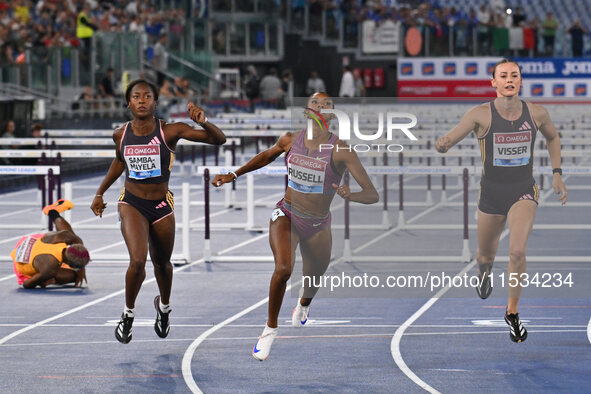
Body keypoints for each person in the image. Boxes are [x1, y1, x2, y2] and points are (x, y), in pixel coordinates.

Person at [212, 92, 378, 361]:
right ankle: (269, 330)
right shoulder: (290, 139)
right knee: (284, 269)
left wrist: (351, 195)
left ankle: (303, 305)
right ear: (306, 111)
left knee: (313, 280)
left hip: (318, 224)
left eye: (326, 105)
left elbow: (372, 194)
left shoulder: (342, 150)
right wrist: (233, 174)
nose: (320, 107)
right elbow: (267, 155)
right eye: (315, 103)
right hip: (287, 213)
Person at [435, 59, 567, 343]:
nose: (509, 79)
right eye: (503, 76)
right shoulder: (479, 114)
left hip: (523, 190)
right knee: (485, 257)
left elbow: (553, 138)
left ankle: (512, 311)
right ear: (493, 82)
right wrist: (443, 143)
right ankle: (484, 272)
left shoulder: (537, 113)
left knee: (517, 252)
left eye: (514, 75)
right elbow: (451, 138)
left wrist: (557, 173)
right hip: (491, 193)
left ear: (521, 81)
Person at [90, 79, 226, 344]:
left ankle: (164, 308)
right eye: (136, 96)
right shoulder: (121, 134)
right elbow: (120, 161)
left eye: (147, 96)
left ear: (155, 102)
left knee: (162, 264)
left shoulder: (170, 130)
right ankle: (127, 314)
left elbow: (219, 140)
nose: (141, 100)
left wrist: (203, 120)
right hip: (131, 203)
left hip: (162, 205)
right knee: (138, 261)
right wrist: (100, 192)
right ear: (128, 102)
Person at [11, 199, 89, 289]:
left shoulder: (65, 238)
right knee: (75, 277)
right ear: (68, 264)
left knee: (69, 235)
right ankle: (50, 278)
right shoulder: (50, 269)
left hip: (28, 241)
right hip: (21, 264)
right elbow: (26, 284)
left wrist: (82, 269)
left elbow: (77, 243)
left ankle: (53, 212)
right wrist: (41, 282)